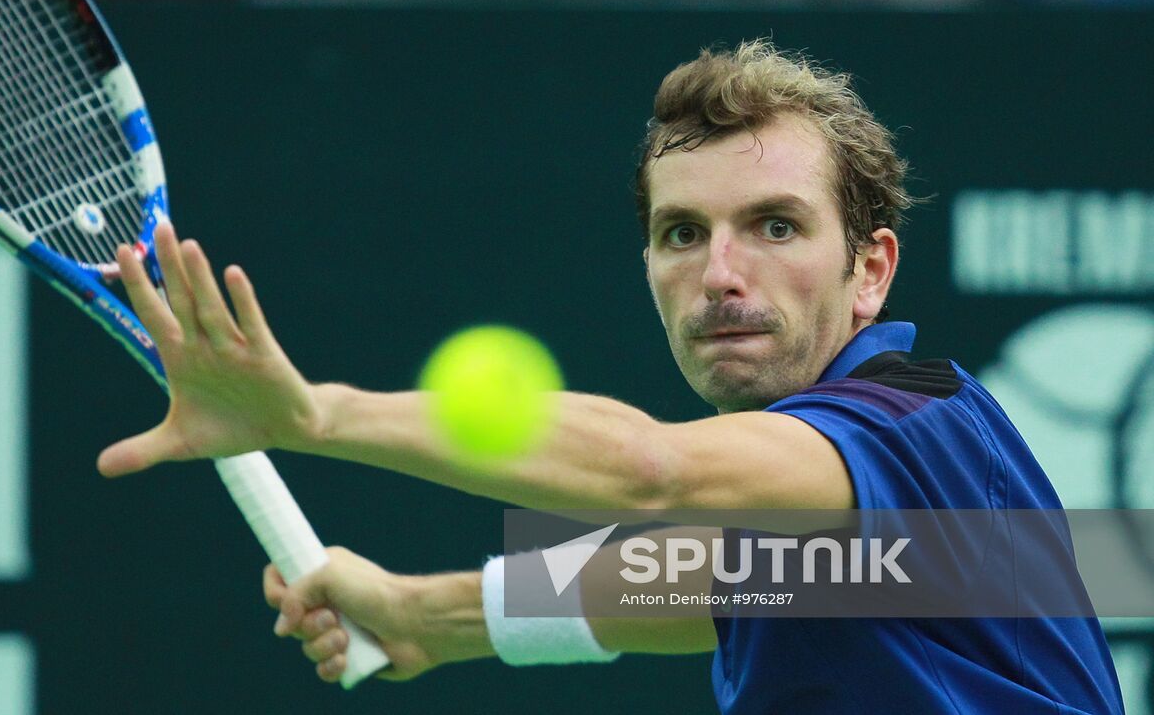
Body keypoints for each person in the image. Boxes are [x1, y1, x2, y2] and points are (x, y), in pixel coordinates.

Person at [97, 40, 1124, 713]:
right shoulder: (825, 530)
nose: (719, 273)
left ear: (868, 270)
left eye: (774, 225)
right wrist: (434, 615)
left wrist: (313, 413)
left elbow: (648, 472)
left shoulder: (915, 424)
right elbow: (715, 584)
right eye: (682, 232)